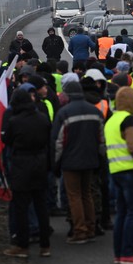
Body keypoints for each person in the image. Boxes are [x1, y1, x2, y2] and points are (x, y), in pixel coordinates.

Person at [51, 82, 106, 244]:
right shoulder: (95, 111)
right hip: (91, 160)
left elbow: (58, 142)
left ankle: (79, 230)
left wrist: (55, 164)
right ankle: (90, 228)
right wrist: (100, 159)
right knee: (87, 194)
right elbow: (101, 140)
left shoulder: (64, 113)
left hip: (71, 161)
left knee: (74, 196)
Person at [2, 89, 52, 258]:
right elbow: (49, 140)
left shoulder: (14, 121)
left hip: (21, 165)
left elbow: (6, 140)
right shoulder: (42, 119)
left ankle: (22, 245)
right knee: (41, 206)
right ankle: (45, 245)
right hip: (40, 163)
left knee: (21, 207)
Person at [105, 87, 133, 264]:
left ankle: (119, 254)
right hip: (132, 171)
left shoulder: (112, 120)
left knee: (122, 213)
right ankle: (129, 253)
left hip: (116, 170)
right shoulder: (129, 120)